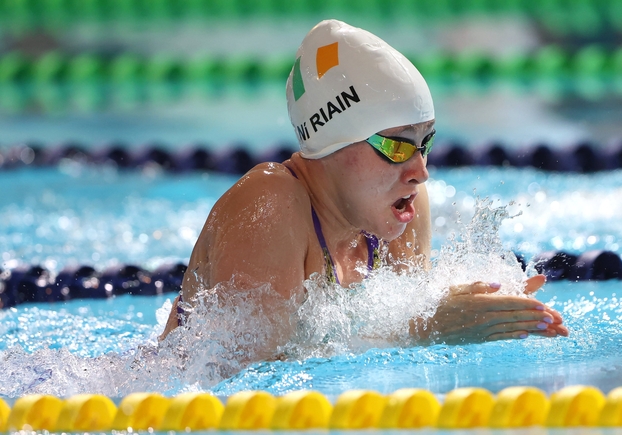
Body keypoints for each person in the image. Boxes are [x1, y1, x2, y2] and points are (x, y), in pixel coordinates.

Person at [160, 19, 568, 349]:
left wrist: (473, 312)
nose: (420, 170)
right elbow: (253, 377)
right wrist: (426, 330)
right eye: (395, 146)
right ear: (332, 142)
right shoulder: (269, 207)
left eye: (425, 143)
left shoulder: (403, 207)